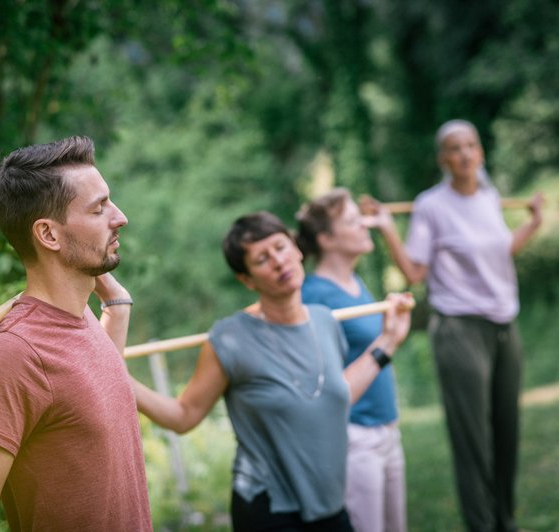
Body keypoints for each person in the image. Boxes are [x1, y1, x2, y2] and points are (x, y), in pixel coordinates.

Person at [0, 136, 153, 531]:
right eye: (99, 208)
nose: (119, 217)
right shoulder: (16, 354)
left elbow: (92, 397)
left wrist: (116, 309)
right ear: (49, 235)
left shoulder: (82, 317)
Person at [131, 211, 413, 531]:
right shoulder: (230, 338)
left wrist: (388, 341)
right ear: (247, 280)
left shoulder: (325, 321)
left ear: (297, 249)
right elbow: (183, 415)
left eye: (280, 247)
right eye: (262, 259)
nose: (279, 262)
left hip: (330, 504)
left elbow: (332, 396)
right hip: (269, 508)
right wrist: (120, 378)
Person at [360, 119, 544, 532]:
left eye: (471, 146)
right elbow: (414, 271)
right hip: (459, 329)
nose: (464, 154)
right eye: (454, 148)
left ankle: (505, 521)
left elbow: (498, 253)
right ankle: (482, 526)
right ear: (443, 159)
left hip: (503, 326)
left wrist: (531, 224)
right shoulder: (431, 206)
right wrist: (389, 227)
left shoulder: (489, 198)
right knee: (473, 440)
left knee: (506, 432)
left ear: (480, 152)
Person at [296, 188, 407, 532]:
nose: (365, 226)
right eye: (352, 221)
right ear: (326, 239)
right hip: (354, 435)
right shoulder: (314, 295)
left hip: (386, 428)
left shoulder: (355, 282)